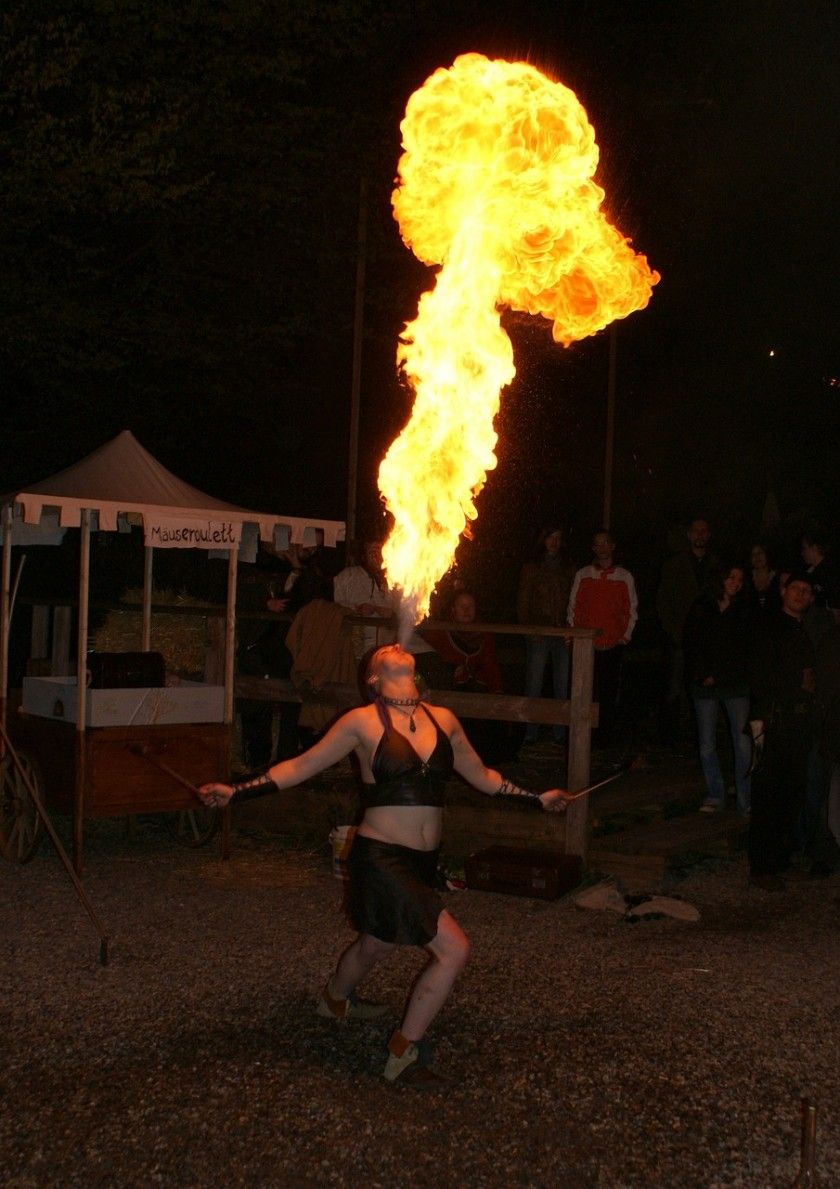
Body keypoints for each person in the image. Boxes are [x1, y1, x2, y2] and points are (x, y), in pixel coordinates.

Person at [199, 644, 570, 1085]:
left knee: (377, 943)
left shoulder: (443, 718)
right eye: (382, 653)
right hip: (381, 857)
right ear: (373, 678)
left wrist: (536, 798)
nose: (394, 647)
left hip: (423, 861)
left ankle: (335, 999)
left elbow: (482, 775)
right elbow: (302, 765)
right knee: (454, 950)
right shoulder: (360, 722)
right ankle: (404, 1051)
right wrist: (238, 791)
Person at [747, 573, 817, 891]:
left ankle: (779, 858)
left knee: (791, 791)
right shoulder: (768, 627)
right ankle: (762, 867)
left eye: (806, 591)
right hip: (772, 721)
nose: (800, 594)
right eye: (796, 589)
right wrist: (759, 721)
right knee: (768, 793)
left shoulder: (806, 631)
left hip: (798, 723)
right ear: (784, 591)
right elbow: (761, 675)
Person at [683, 562, 752, 815]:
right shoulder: (702, 606)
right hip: (704, 685)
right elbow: (691, 642)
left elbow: (744, 650)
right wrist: (703, 675)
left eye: (740, 579)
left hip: (735, 685)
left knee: (743, 743)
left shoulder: (745, 610)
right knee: (707, 743)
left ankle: (746, 799)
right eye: (731, 577)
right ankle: (715, 793)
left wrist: (721, 674)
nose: (735, 583)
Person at [567, 529, 637, 746]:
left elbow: (631, 608)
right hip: (586, 645)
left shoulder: (624, 576)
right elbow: (573, 607)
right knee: (586, 692)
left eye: (606, 543)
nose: (602, 547)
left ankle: (606, 736)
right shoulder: (583, 574)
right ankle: (584, 736)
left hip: (613, 644)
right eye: (598, 544)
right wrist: (573, 635)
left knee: (609, 692)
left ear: (612, 545)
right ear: (593, 548)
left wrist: (624, 637)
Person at [656, 517, 718, 742]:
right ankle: (673, 737)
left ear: (708, 535)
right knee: (675, 686)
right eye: (696, 531)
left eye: (704, 531)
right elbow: (663, 601)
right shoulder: (674, 565)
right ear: (689, 535)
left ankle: (699, 737)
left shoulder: (716, 565)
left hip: (708, 640)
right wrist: (674, 631)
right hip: (681, 637)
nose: (700, 535)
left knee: (703, 686)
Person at [517, 526, 576, 751]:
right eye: (551, 537)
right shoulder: (532, 568)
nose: (555, 542)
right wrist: (527, 630)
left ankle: (559, 733)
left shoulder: (569, 568)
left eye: (559, 538)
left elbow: (573, 598)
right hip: (538, 633)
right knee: (534, 684)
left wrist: (570, 627)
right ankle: (530, 732)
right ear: (543, 539)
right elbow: (523, 601)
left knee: (562, 684)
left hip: (562, 632)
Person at [745, 542, 781, 616]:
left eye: (760, 553)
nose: (757, 557)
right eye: (753, 554)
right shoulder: (746, 579)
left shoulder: (778, 577)